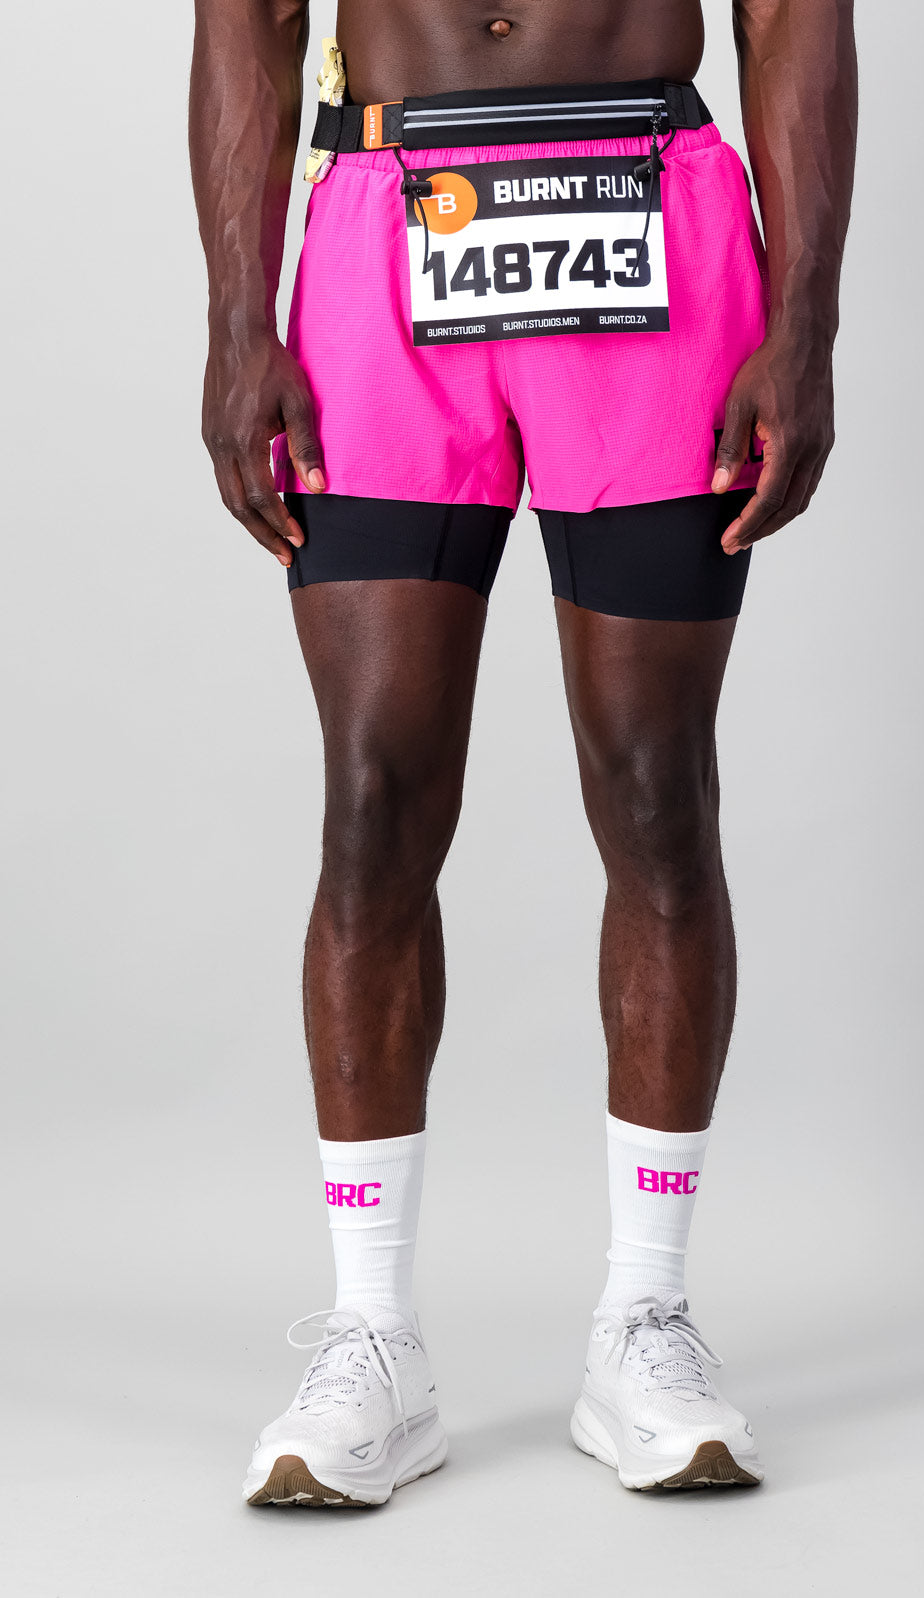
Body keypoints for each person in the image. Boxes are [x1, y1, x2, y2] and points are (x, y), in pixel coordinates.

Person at [190, 0, 857, 1506]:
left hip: (651, 222)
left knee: (656, 790)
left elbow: (791, 16)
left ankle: (646, 1320)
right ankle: (373, 1335)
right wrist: (239, 319)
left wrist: (804, 323)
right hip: (386, 227)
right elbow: (248, 18)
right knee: (373, 800)